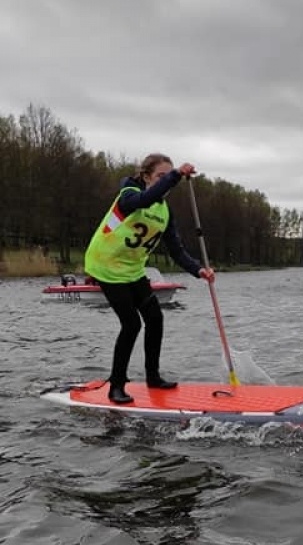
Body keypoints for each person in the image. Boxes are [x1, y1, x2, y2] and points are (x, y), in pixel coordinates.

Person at [84, 153, 215, 404]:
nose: (165, 182)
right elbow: (144, 199)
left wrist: (199, 270)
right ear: (146, 177)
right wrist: (175, 175)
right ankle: (116, 386)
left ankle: (153, 377)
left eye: (168, 177)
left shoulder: (165, 212)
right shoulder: (129, 193)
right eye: (160, 177)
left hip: (132, 269)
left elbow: (176, 251)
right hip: (105, 265)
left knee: (155, 318)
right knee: (131, 324)